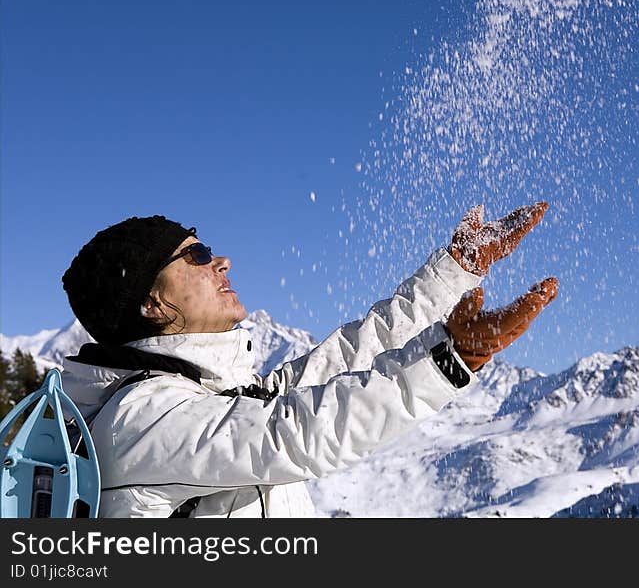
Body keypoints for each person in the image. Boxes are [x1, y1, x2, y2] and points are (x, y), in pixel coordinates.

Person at [60, 203, 558, 517]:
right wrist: (451, 359)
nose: (220, 261)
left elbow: (348, 359)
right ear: (151, 304)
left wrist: (455, 272)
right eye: (196, 255)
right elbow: (303, 432)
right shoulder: (143, 418)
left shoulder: (211, 392)